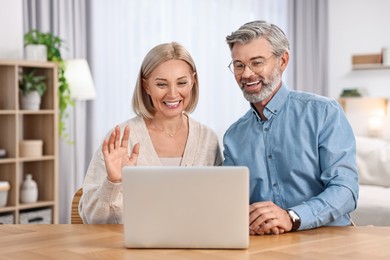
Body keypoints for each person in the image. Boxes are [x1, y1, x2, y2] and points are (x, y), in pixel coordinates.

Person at [223, 20, 359, 235]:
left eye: (257, 62)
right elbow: (229, 200)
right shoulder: (233, 136)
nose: (247, 74)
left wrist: (292, 217)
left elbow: (346, 191)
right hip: (267, 245)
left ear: (283, 60)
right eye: (239, 65)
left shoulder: (323, 112)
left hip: (328, 240)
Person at [80, 42, 223, 224]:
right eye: (162, 84)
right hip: (132, 250)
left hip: (194, 248)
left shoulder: (207, 139)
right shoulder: (121, 139)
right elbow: (92, 219)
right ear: (145, 85)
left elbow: (217, 208)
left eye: (181, 83)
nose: (172, 94)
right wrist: (113, 182)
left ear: (193, 81)